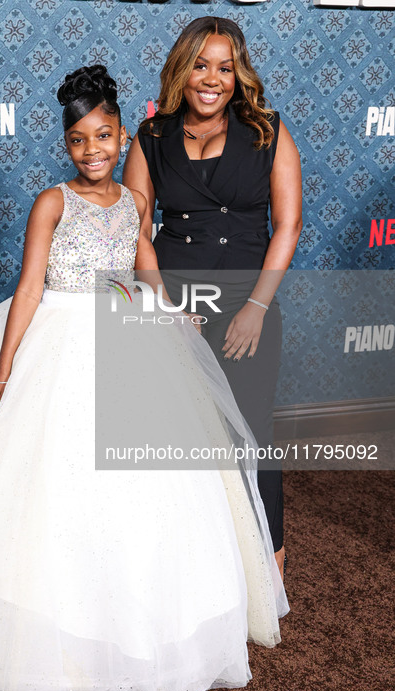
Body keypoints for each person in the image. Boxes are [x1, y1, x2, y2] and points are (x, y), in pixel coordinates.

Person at [0, 65, 288, 691]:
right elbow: (30, 286)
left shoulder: (136, 203)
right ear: (66, 146)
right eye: (78, 140)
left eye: (104, 137)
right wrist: (1, 374)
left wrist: (166, 313)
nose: (92, 151)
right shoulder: (51, 202)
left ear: (120, 138)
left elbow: (138, 268)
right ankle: (37, 629)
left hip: (116, 332)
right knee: (41, 487)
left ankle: (126, 625)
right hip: (53, 334)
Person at [123, 17, 302, 580]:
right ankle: (189, 565)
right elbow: (135, 231)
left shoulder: (268, 132)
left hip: (249, 302)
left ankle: (270, 556)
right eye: (201, 65)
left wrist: (256, 309)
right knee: (178, 433)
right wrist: (168, 311)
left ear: (238, 74)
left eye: (225, 68)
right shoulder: (150, 138)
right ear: (182, 69)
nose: (212, 79)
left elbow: (288, 225)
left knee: (252, 429)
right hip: (178, 305)